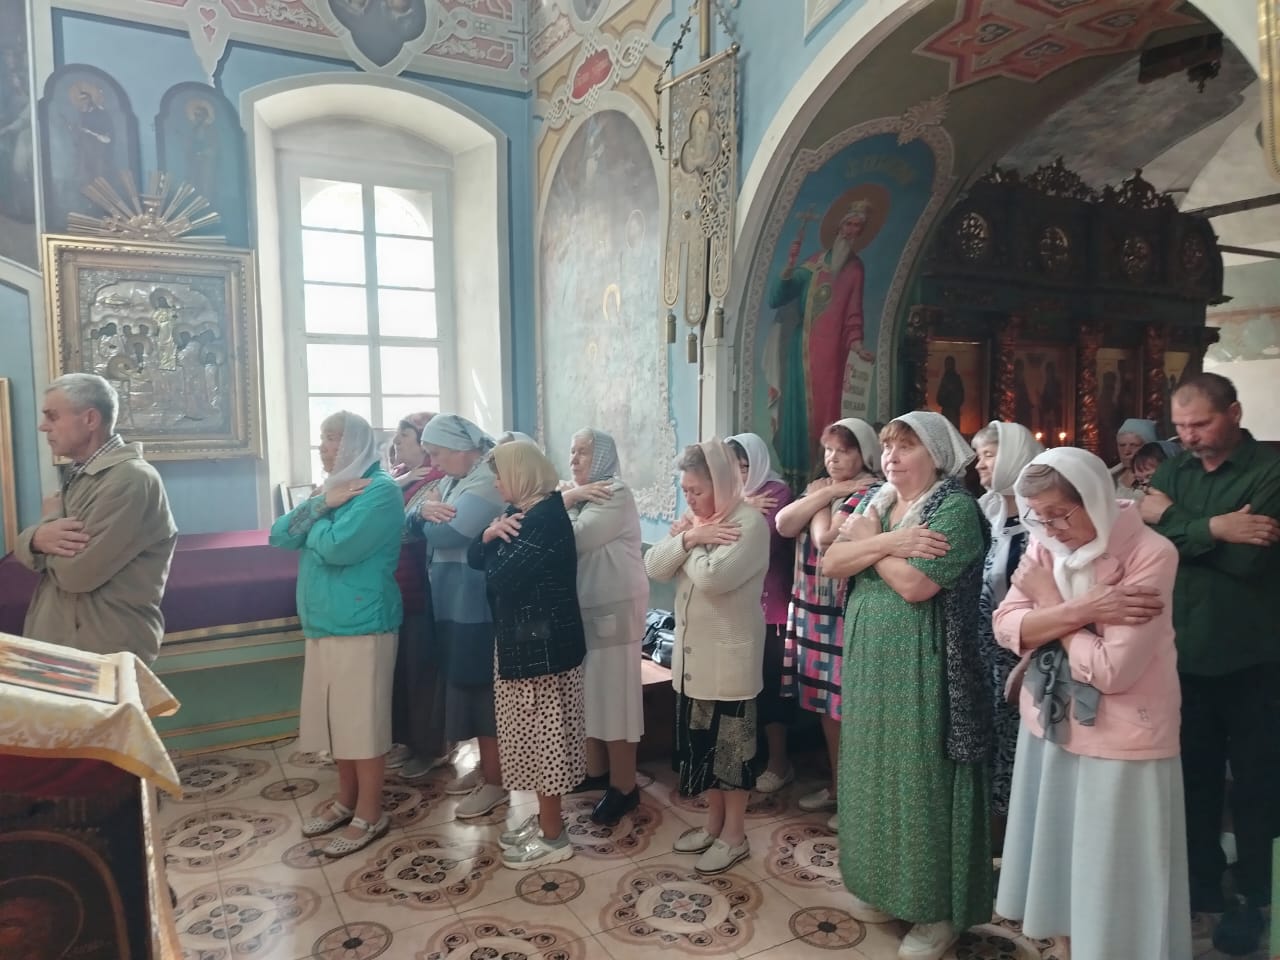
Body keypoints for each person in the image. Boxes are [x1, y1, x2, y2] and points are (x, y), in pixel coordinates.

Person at [993, 448, 1190, 960]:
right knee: (1059, 853)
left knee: (1111, 867)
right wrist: (1084, 610)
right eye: (1039, 516)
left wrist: (1051, 607)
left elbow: (1111, 670)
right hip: (1051, 721)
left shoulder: (1151, 552)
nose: (1051, 528)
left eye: (1060, 513)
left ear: (1095, 498)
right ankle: (1064, 946)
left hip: (1122, 734)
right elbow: (1007, 627)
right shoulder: (1045, 545)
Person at [821, 411, 991, 959]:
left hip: (924, 666)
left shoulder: (956, 510)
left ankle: (934, 910)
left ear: (936, 455)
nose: (891, 457)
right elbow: (832, 561)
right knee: (873, 772)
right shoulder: (880, 502)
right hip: (871, 661)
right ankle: (883, 886)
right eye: (888, 447)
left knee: (918, 781)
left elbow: (917, 585)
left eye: (906, 447)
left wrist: (873, 545)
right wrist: (892, 542)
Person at [1141, 373, 1280, 954]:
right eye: (1180, 426)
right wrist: (1217, 529)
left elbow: (1249, 562)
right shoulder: (1175, 470)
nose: (1189, 437)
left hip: (1253, 658)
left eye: (1200, 424)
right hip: (1182, 655)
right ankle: (1202, 893)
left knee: (1257, 786)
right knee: (1191, 783)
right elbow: (1150, 548)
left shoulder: (1270, 471)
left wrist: (1176, 522)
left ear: (1234, 413)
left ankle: (1255, 897)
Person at [269, 410, 403, 858]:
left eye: (332, 439)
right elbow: (280, 535)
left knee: (362, 723)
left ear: (354, 445)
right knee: (337, 721)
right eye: (323, 438)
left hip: (362, 621)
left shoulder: (380, 491)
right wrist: (321, 504)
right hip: (324, 620)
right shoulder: (334, 489)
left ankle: (370, 812)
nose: (324, 447)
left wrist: (320, 513)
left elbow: (337, 547)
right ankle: (346, 799)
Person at [644, 440, 769, 875]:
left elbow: (714, 578)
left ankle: (735, 836)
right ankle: (714, 826)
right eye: (685, 491)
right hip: (695, 662)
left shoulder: (749, 523)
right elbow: (654, 565)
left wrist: (688, 544)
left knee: (731, 755)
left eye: (697, 491)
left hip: (730, 663)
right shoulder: (702, 523)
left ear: (721, 483)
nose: (690, 500)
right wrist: (692, 537)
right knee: (704, 751)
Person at [469, 441, 587, 869]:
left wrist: (493, 542)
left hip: (542, 650)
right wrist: (488, 535)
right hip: (526, 642)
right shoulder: (525, 511)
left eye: (500, 475)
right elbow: (475, 557)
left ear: (522, 474)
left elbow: (499, 577)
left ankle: (554, 837)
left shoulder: (543, 519)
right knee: (531, 740)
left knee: (544, 741)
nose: (496, 484)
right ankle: (545, 821)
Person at [14, 373, 177, 663]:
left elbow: (75, 574)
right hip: (68, 642)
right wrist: (36, 539)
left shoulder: (131, 479)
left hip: (102, 648)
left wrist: (47, 523)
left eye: (53, 416)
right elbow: (32, 554)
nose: (43, 426)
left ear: (90, 419)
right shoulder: (83, 474)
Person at [775, 418, 881, 821]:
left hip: (842, 613)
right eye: (829, 450)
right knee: (825, 706)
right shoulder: (828, 488)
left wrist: (824, 496)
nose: (833, 459)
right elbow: (784, 524)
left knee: (846, 708)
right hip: (810, 609)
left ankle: (855, 800)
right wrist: (828, 492)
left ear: (864, 454)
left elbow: (825, 539)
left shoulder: (871, 491)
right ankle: (838, 788)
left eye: (844, 451)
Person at [408, 414, 509, 819]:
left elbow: (450, 533)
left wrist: (426, 516)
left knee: (480, 690)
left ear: (462, 448)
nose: (433, 463)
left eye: (437, 453)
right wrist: (424, 511)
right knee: (463, 685)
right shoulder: (454, 481)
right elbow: (411, 517)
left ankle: (497, 781)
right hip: (451, 598)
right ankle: (486, 770)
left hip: (476, 603)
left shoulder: (486, 480)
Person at [561, 428, 647, 826]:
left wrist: (565, 501)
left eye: (582, 452)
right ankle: (595, 772)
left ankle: (625, 787)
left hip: (614, 609)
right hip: (587, 609)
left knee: (616, 700)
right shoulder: (582, 495)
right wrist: (571, 498)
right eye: (572, 451)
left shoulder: (614, 492)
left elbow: (574, 539)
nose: (574, 459)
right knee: (591, 694)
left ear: (601, 457)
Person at [768, 200, 876, 479]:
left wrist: (857, 345)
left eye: (858, 227)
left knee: (826, 413)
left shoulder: (855, 269)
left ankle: (822, 475)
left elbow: (853, 313)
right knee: (797, 414)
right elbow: (777, 298)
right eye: (849, 224)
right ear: (839, 226)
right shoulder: (814, 264)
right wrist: (787, 271)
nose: (852, 231)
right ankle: (796, 477)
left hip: (832, 357)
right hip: (801, 352)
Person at [970, 421, 1042, 830]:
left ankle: (1015, 827)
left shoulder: (1042, 518)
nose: (980, 465)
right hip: (983, 647)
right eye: (978, 456)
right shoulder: (987, 510)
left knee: (1018, 739)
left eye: (989, 455)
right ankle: (989, 822)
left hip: (1023, 650)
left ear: (1014, 457)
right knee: (989, 735)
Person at [723, 432, 796, 794]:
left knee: (770, 689)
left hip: (772, 610)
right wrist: (741, 506)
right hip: (735, 607)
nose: (736, 474)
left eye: (743, 466)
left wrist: (734, 511)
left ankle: (779, 763)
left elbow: (758, 541)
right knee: (738, 688)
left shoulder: (777, 493)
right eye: (731, 467)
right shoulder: (733, 497)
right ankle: (745, 758)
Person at [387, 413, 452, 782]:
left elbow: (406, 531)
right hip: (395, 587)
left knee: (421, 668)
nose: (397, 442)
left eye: (405, 436)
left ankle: (430, 746)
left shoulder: (436, 480)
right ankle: (407, 741)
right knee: (400, 670)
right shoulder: (399, 475)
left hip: (420, 586)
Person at [1111, 418, 1157, 500]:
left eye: (1134, 445)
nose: (1126, 451)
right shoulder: (1108, 477)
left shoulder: (1158, 481)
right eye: (1122, 445)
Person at [936, 355, 965, 429]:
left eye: (950, 364)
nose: (948, 366)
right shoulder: (945, 378)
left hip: (953, 411)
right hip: (946, 410)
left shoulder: (956, 379)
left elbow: (960, 396)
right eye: (947, 364)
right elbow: (939, 397)